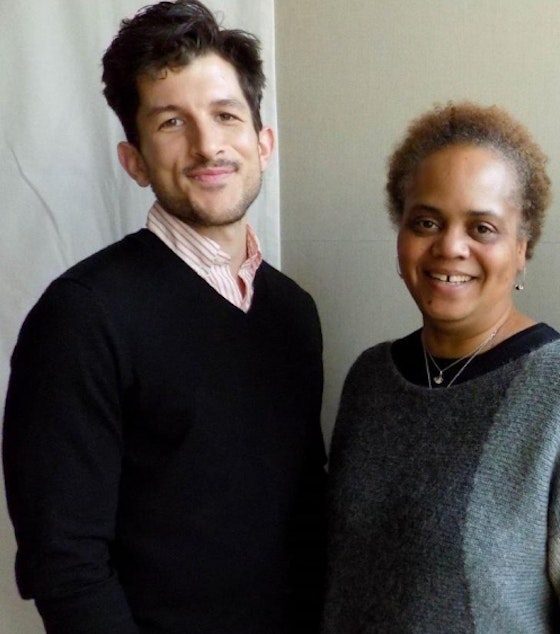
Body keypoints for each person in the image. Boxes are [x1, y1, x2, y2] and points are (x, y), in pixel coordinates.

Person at [2, 2, 325, 632]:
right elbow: (65, 563)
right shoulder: (82, 317)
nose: (208, 145)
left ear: (263, 142)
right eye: (172, 122)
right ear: (136, 160)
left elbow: (303, 517)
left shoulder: (293, 312)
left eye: (226, 116)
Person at [321, 102, 560, 632]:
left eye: (482, 228)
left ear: (522, 248)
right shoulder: (370, 380)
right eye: (426, 221)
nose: (450, 247)